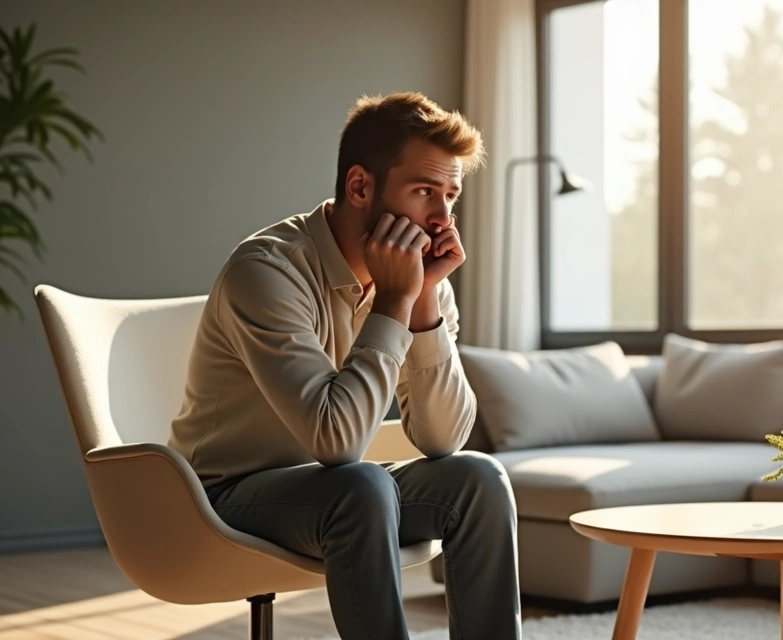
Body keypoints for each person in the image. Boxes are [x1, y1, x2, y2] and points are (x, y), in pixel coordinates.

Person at [168, 92, 520, 640]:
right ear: (360, 187)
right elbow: (336, 442)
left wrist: (423, 303)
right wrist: (395, 303)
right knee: (361, 486)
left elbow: (443, 438)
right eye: (425, 191)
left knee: (478, 477)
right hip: (223, 499)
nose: (441, 218)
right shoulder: (267, 271)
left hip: (336, 491)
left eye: (450, 196)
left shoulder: (417, 281)